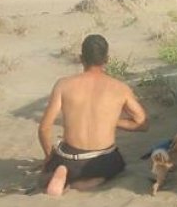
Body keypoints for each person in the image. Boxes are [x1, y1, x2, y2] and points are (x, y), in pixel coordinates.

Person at [38, 34, 149, 197]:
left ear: (81, 58)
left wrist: (49, 156)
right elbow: (142, 123)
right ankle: (89, 181)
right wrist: (113, 121)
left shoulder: (63, 85)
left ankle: (63, 172)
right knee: (116, 165)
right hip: (102, 160)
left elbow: (44, 128)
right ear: (107, 59)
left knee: (58, 160)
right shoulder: (120, 88)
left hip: (69, 157)